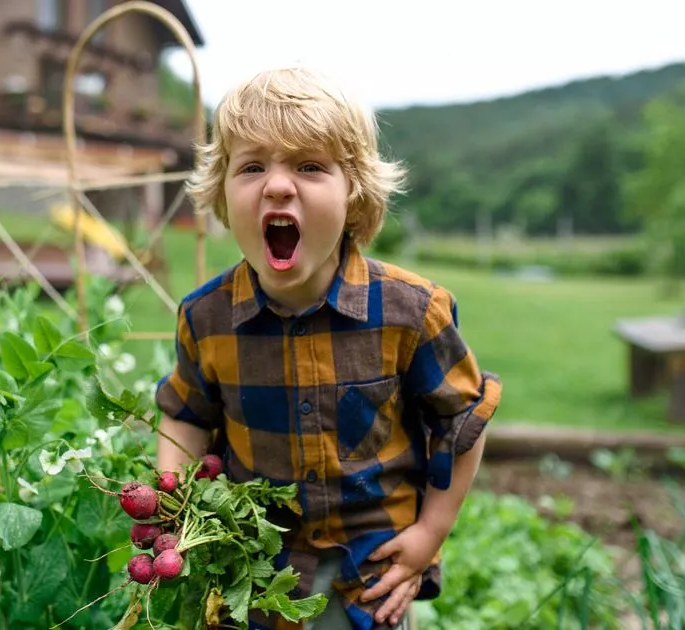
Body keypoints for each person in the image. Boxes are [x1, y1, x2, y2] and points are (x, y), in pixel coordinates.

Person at [153, 66, 502, 630]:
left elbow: (461, 425)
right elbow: (185, 417)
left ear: (354, 194)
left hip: (369, 578)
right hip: (253, 578)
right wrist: (172, 507)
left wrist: (429, 534)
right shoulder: (205, 317)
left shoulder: (412, 312)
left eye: (309, 166)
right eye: (251, 167)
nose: (277, 185)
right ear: (221, 193)